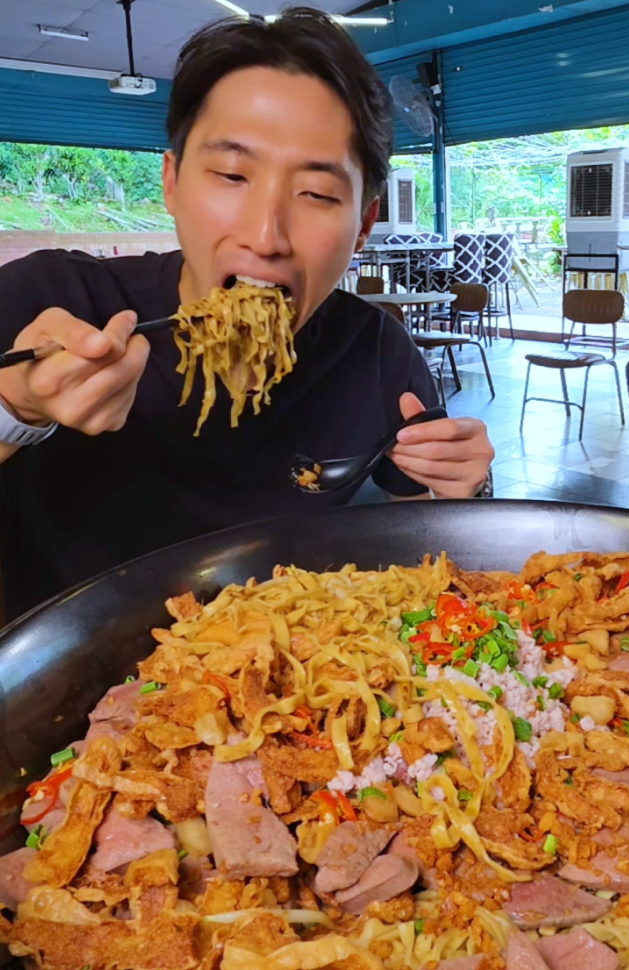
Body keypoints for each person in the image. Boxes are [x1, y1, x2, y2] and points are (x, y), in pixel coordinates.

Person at [0, 8, 494, 620]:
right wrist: (15, 411)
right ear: (173, 180)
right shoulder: (54, 299)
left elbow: (418, 536)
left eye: (316, 193)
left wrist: (461, 486)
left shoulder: (375, 353)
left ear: (364, 224)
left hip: (286, 678)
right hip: (55, 689)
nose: (266, 235)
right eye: (232, 174)